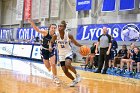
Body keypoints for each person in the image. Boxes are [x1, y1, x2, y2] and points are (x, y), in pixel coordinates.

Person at [50, 20, 83, 87]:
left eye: (61, 26)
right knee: (65, 71)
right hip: (61, 54)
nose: (59, 27)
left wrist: (82, 46)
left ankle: (77, 75)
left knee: (67, 64)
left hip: (68, 52)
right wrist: (50, 46)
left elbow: (75, 43)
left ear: (64, 27)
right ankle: (74, 80)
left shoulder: (68, 35)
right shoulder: (55, 35)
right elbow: (51, 42)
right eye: (58, 26)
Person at [28, 20, 60, 84]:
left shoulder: (56, 35)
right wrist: (32, 23)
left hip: (52, 50)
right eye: (52, 27)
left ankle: (55, 77)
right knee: (48, 67)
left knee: (53, 64)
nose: (53, 29)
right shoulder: (46, 32)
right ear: (49, 28)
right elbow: (37, 30)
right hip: (44, 50)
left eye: (54, 28)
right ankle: (50, 69)